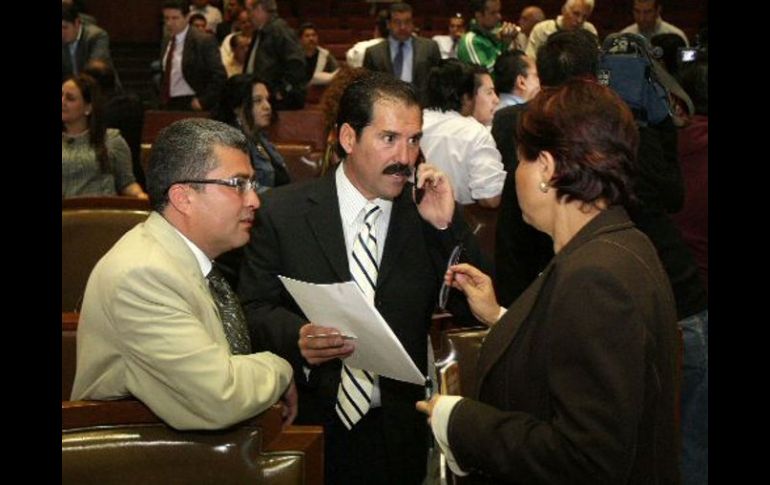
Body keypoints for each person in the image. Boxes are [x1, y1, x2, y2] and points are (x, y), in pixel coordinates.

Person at [417, 79, 681, 484]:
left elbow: (586, 458)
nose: (514, 175)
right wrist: (500, 316)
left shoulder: (595, 276)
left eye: (519, 161)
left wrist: (459, 421)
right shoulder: (614, 243)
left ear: (546, 168)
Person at [237, 72, 484, 484]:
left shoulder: (424, 214)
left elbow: (472, 310)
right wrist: (298, 336)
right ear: (349, 138)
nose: (405, 157)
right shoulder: (283, 213)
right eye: (389, 138)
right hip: (310, 422)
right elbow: (253, 308)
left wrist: (446, 227)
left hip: (399, 429)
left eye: (414, 140)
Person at [71, 118, 297, 431]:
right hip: (147, 454)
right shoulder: (143, 274)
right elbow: (220, 397)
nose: (254, 200)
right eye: (238, 184)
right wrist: (280, 368)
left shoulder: (185, 258)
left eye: (252, 185)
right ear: (183, 197)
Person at [420, 59, 505, 208]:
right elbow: (490, 199)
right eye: (489, 92)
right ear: (466, 98)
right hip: (459, 218)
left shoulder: (413, 122)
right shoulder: (475, 133)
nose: (496, 100)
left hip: (410, 216)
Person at [62, 74, 146, 199]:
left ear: (88, 107)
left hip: (102, 209)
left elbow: (127, 183)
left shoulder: (111, 140)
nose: (62, 101)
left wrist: (140, 196)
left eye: (70, 98)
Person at [212, 73, 291, 193]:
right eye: (258, 101)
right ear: (237, 107)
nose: (267, 106)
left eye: (267, 99)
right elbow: (242, 189)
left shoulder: (259, 138)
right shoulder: (230, 143)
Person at [363, 2, 441, 104]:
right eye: (397, 22)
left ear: (413, 23)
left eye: (407, 22)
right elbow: (367, 89)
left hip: (423, 107)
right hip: (387, 108)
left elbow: (438, 84)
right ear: (388, 24)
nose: (403, 27)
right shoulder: (374, 53)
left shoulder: (429, 48)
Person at [159, 0, 226, 111]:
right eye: (166, 18)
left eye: (175, 18)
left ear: (187, 17)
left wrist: (204, 101)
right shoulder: (167, 40)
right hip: (169, 101)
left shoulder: (203, 40)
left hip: (192, 101)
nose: (169, 23)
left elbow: (219, 76)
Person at [244, 0, 307, 110]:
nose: (248, 16)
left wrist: (282, 90)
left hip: (276, 102)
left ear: (259, 9)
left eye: (249, 11)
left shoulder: (279, 30)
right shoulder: (261, 32)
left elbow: (296, 63)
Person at [458, 0, 520, 72]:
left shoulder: (498, 34)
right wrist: (506, 43)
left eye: (499, 12)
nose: (499, 17)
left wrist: (509, 42)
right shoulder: (470, 40)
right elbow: (485, 74)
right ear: (479, 15)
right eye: (493, 13)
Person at [525, 0, 597, 60]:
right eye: (576, 14)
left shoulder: (589, 31)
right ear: (564, 10)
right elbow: (529, 61)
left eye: (585, 17)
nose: (579, 20)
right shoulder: (542, 29)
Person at [621, 0, 689, 46]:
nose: (641, 18)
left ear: (658, 10)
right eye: (637, 11)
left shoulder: (676, 36)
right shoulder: (624, 37)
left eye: (647, 12)